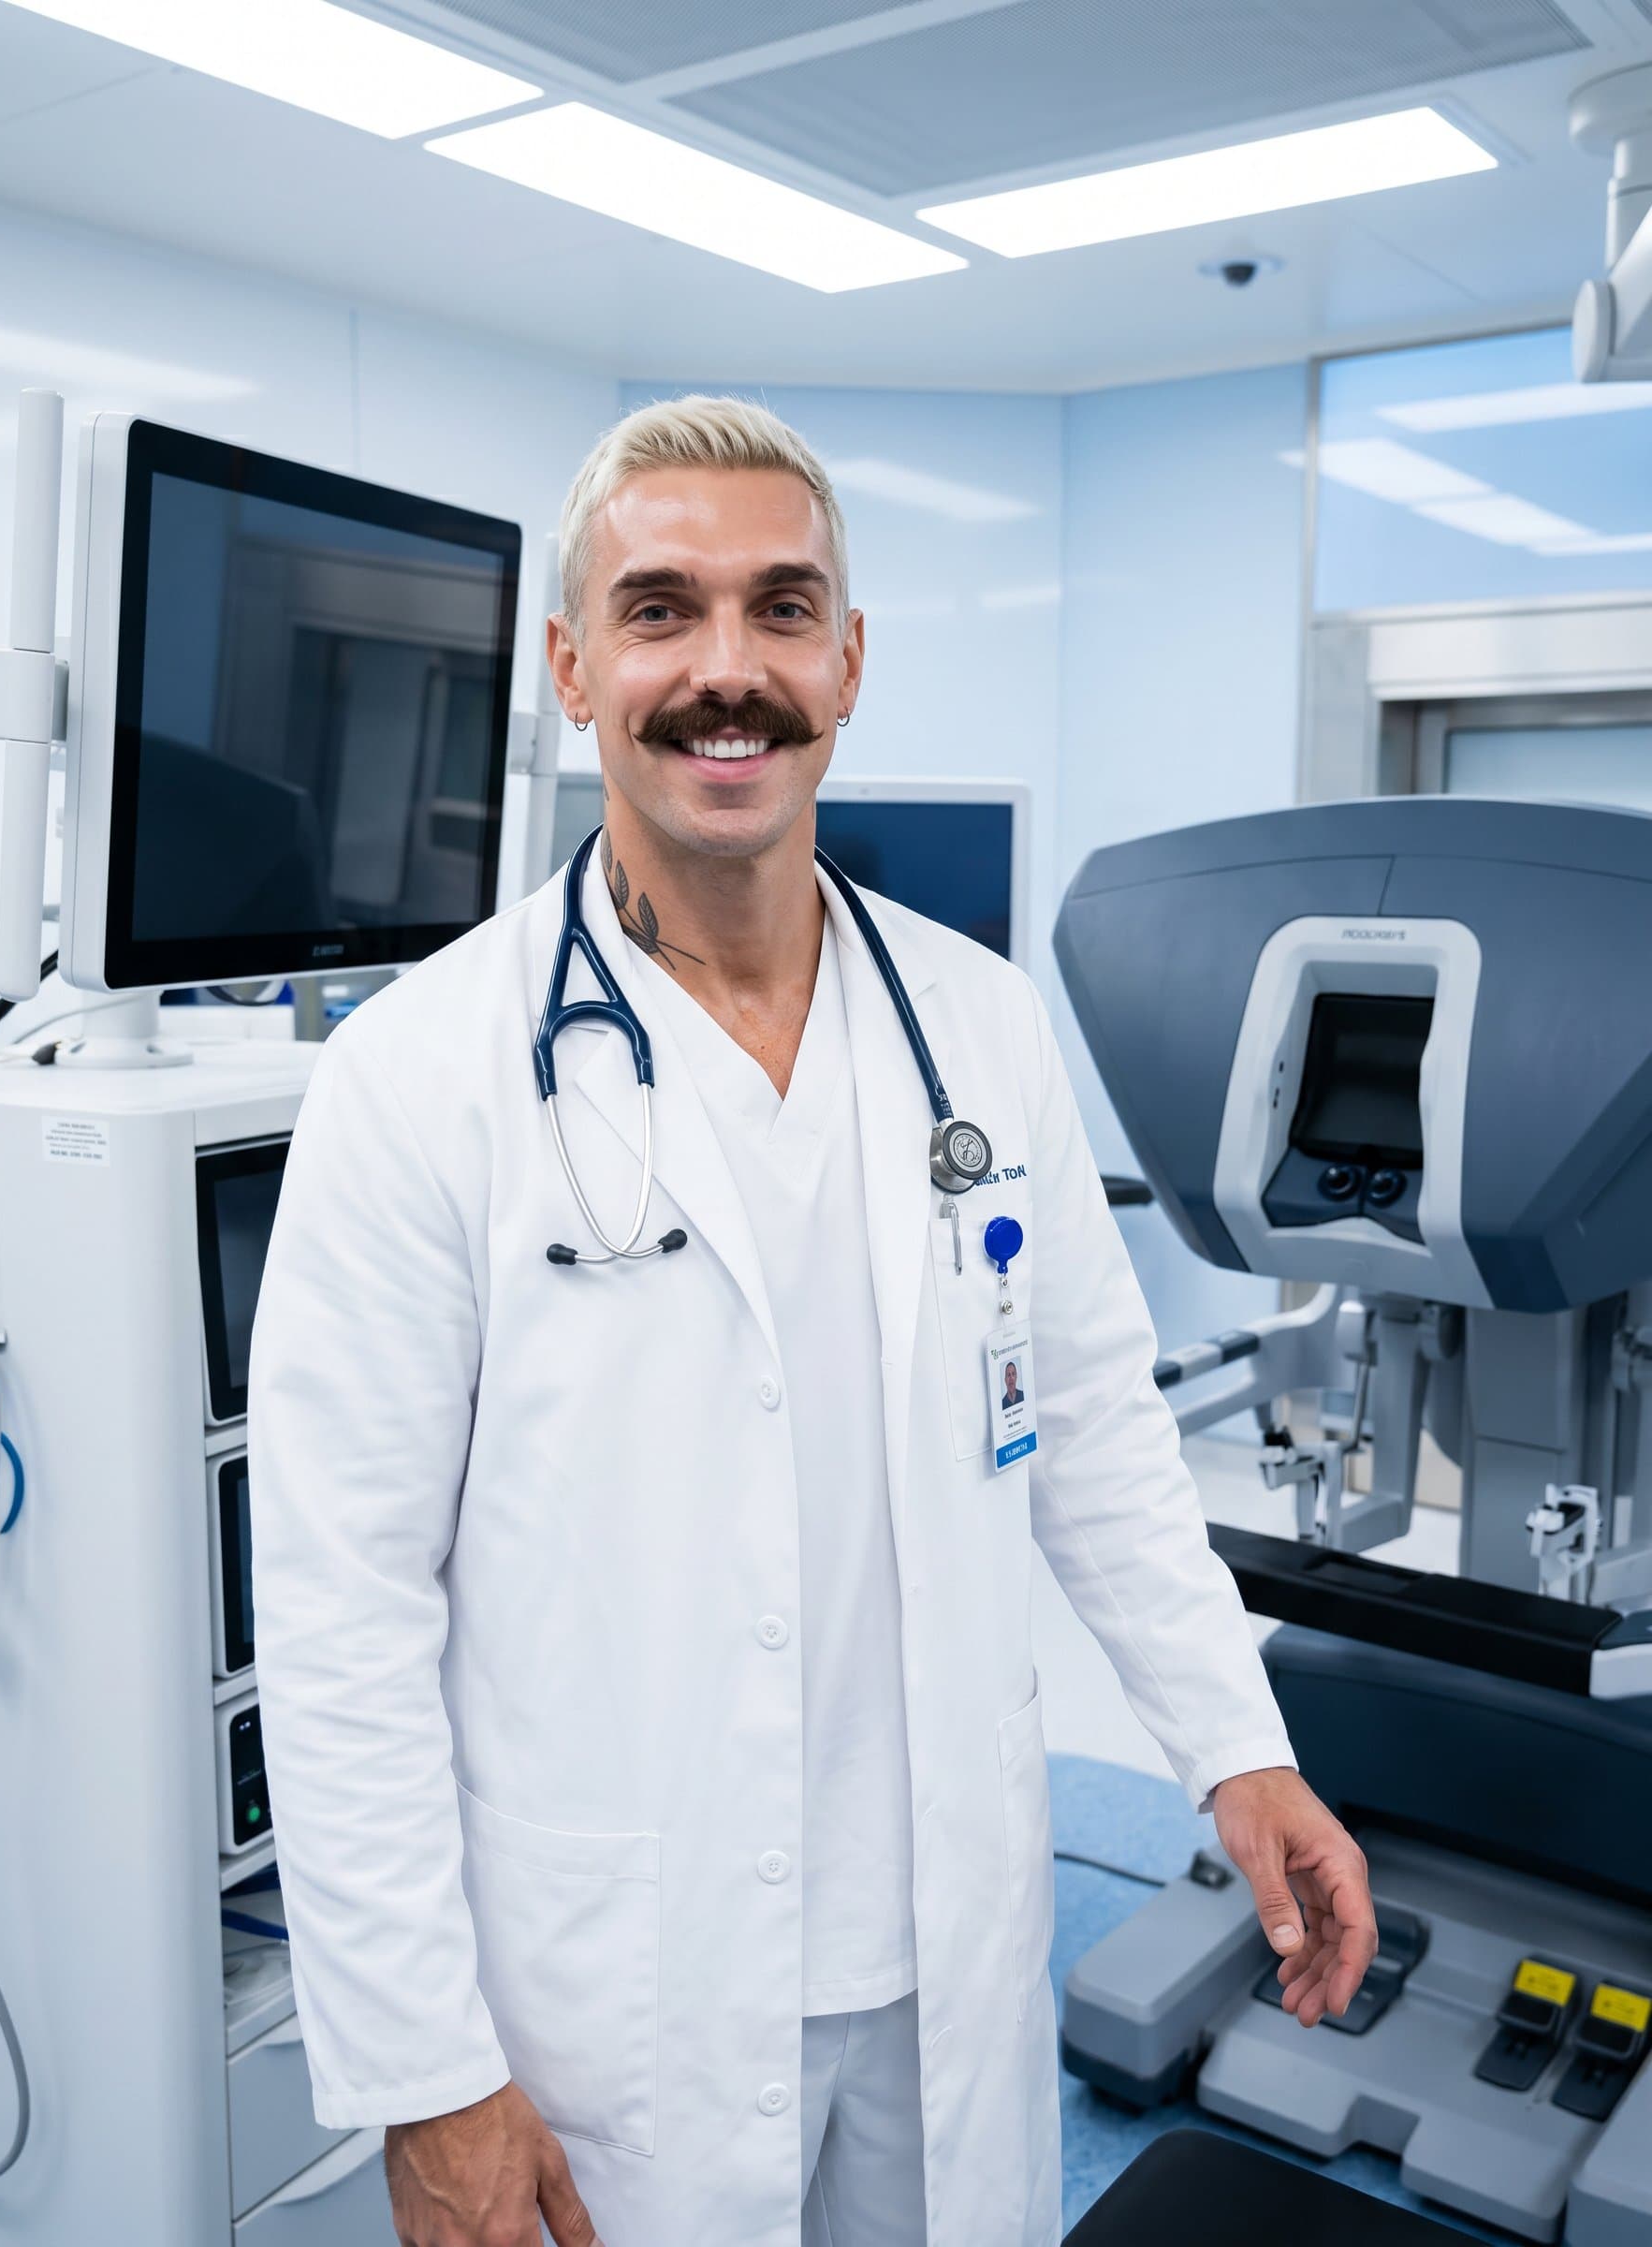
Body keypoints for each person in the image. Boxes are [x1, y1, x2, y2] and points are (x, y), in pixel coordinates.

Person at [248, 397, 1376, 2247]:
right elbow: (341, 1615)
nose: (724, 671)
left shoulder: (981, 1027)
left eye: (781, 610)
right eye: (660, 609)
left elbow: (1086, 1434)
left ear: (846, 661)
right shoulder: (418, 1078)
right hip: (616, 1983)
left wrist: (1233, 1748)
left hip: (939, 1936)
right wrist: (422, 2070)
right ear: (571, 665)